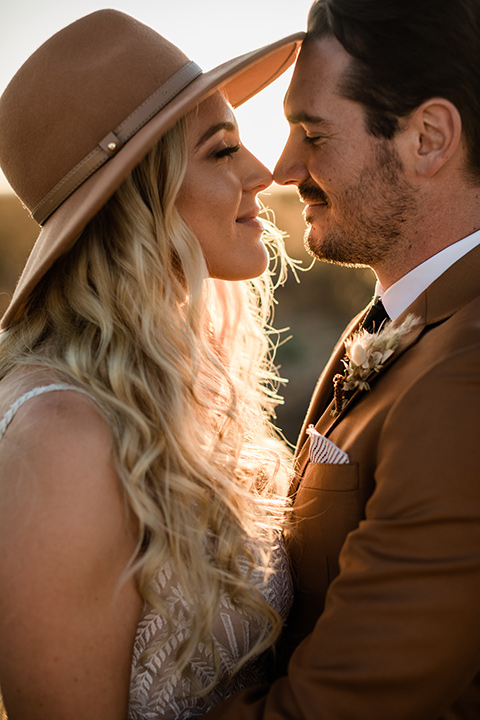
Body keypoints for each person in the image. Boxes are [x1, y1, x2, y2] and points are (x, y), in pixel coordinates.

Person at [0, 10, 304, 720]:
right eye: (223, 149)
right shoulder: (62, 436)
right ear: (141, 196)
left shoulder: (184, 384)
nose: (262, 171)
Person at [202, 0, 480, 718]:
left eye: (312, 133)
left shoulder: (466, 373)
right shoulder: (406, 315)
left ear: (428, 138)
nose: (283, 167)